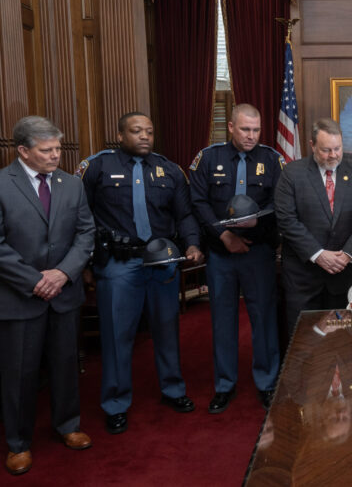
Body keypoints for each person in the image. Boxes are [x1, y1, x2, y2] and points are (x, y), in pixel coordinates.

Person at [80, 112, 202, 435]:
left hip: (162, 261)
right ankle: (116, 404)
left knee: (167, 331)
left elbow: (185, 214)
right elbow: (82, 218)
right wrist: (87, 265)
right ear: (120, 135)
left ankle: (173, 390)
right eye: (136, 131)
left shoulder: (170, 170)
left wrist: (191, 244)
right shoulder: (98, 167)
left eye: (149, 131)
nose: (144, 136)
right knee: (117, 336)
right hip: (119, 264)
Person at [0, 116, 95, 475]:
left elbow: (86, 234)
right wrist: (34, 280)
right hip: (19, 297)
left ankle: (68, 425)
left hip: (64, 293)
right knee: (19, 374)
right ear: (23, 151)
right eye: (47, 150)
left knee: (65, 366)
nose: (56, 155)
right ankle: (18, 444)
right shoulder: (1, 184)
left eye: (58, 148)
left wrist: (63, 273)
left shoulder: (71, 185)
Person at [189, 103, 283, 413]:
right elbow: (199, 202)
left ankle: (267, 383)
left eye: (256, 130)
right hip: (221, 254)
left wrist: (253, 232)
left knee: (264, 321)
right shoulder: (209, 158)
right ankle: (225, 385)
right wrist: (224, 236)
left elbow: (278, 203)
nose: (251, 135)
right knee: (223, 320)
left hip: (258, 253)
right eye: (245, 129)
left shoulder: (272, 159)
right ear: (231, 127)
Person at [275, 118, 352, 326]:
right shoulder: (292, 174)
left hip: (343, 275)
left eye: (337, 149)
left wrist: (347, 255)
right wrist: (318, 254)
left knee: (342, 341)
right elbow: (287, 220)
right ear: (312, 146)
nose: (333, 155)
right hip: (303, 277)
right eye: (326, 150)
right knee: (303, 341)